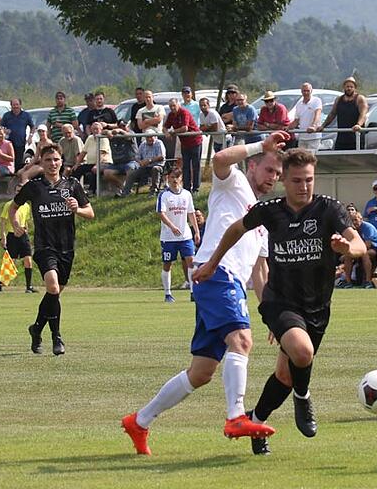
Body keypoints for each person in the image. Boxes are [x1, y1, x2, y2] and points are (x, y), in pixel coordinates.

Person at [121, 132, 286, 456]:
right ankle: (236, 417)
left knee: (201, 372)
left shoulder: (262, 216)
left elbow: (260, 272)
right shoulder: (233, 183)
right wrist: (260, 145)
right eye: (269, 169)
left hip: (228, 283)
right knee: (241, 341)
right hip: (216, 273)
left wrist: (272, 315)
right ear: (253, 166)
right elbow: (220, 159)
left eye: (278, 174)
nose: (273, 178)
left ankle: (139, 421)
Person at [197, 148, 365, 448]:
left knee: (286, 375)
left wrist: (347, 248)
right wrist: (212, 263)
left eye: (309, 180)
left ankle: (257, 420)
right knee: (302, 352)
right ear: (284, 180)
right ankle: (304, 396)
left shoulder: (329, 209)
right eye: (297, 180)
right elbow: (236, 228)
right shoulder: (271, 211)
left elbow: (359, 245)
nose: (304, 186)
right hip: (280, 301)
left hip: (317, 306)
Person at [14, 145, 94, 356]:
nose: (53, 163)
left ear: (62, 161)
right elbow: (14, 207)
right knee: (53, 287)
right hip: (44, 247)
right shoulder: (34, 187)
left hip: (66, 248)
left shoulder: (72, 184)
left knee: (53, 294)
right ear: (41, 162)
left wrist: (77, 209)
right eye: (48, 160)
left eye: (56, 159)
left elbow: (90, 212)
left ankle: (36, 328)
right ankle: (56, 337)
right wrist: (15, 224)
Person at [157, 170, 199, 302]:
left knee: (191, 261)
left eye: (177, 177)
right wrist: (172, 226)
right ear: (168, 179)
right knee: (167, 264)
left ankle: (193, 292)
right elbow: (161, 213)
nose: (175, 180)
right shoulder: (164, 195)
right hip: (169, 237)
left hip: (185, 236)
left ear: (181, 179)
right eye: (172, 177)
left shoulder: (186, 194)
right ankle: (168, 293)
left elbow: (191, 213)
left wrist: (196, 231)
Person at [339, 204, 377, 288]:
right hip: (361, 248)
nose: (354, 223)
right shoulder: (351, 229)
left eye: (356, 220)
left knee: (365, 254)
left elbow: (367, 245)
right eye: (352, 221)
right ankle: (348, 282)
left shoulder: (368, 227)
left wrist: (355, 253)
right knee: (348, 256)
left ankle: (368, 281)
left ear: (361, 219)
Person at [0, 196, 36, 294]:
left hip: (23, 235)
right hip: (12, 235)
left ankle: (29, 286)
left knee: (28, 259)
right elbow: (3, 221)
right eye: (17, 191)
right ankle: (0, 283)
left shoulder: (26, 206)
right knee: (11, 261)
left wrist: (26, 232)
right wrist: (3, 236)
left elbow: (25, 221)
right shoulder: (9, 205)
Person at [165, 97, 203, 193]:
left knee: (195, 165)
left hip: (195, 141)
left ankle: (196, 188)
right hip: (185, 144)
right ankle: (186, 188)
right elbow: (165, 126)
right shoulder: (171, 115)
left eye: (174, 105)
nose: (172, 108)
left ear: (178, 105)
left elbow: (184, 128)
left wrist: (172, 132)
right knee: (185, 166)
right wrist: (166, 132)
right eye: (170, 106)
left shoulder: (184, 112)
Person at [318, 77, 367, 150]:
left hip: (356, 136)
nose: (349, 88)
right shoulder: (339, 99)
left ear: (355, 88)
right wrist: (323, 126)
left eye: (351, 87)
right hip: (342, 136)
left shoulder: (360, 99)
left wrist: (358, 125)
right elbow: (332, 114)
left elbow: (363, 114)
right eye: (347, 86)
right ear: (344, 87)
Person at [118, 129, 166, 196]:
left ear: (155, 137)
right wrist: (140, 162)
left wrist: (149, 160)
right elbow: (137, 157)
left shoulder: (159, 143)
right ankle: (125, 192)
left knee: (155, 169)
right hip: (145, 167)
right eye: (147, 137)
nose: (149, 139)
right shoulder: (143, 144)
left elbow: (161, 157)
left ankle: (153, 191)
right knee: (132, 172)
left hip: (158, 165)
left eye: (151, 137)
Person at [288, 83, 323, 153]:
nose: (306, 93)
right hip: (302, 137)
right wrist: (288, 127)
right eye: (304, 91)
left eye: (308, 91)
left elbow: (317, 114)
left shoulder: (316, 101)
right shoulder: (299, 104)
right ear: (301, 91)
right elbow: (296, 120)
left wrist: (313, 126)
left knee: (311, 157)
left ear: (311, 91)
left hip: (313, 137)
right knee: (301, 157)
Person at [1, 99, 34, 173]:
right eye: (13, 105)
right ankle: (10, 176)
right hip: (9, 143)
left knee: (19, 162)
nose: (15, 106)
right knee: (10, 161)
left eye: (17, 104)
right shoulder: (7, 115)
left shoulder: (26, 115)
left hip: (20, 142)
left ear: (20, 105)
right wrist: (4, 130)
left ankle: (18, 177)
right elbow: (0, 126)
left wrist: (30, 136)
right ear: (11, 106)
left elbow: (33, 127)